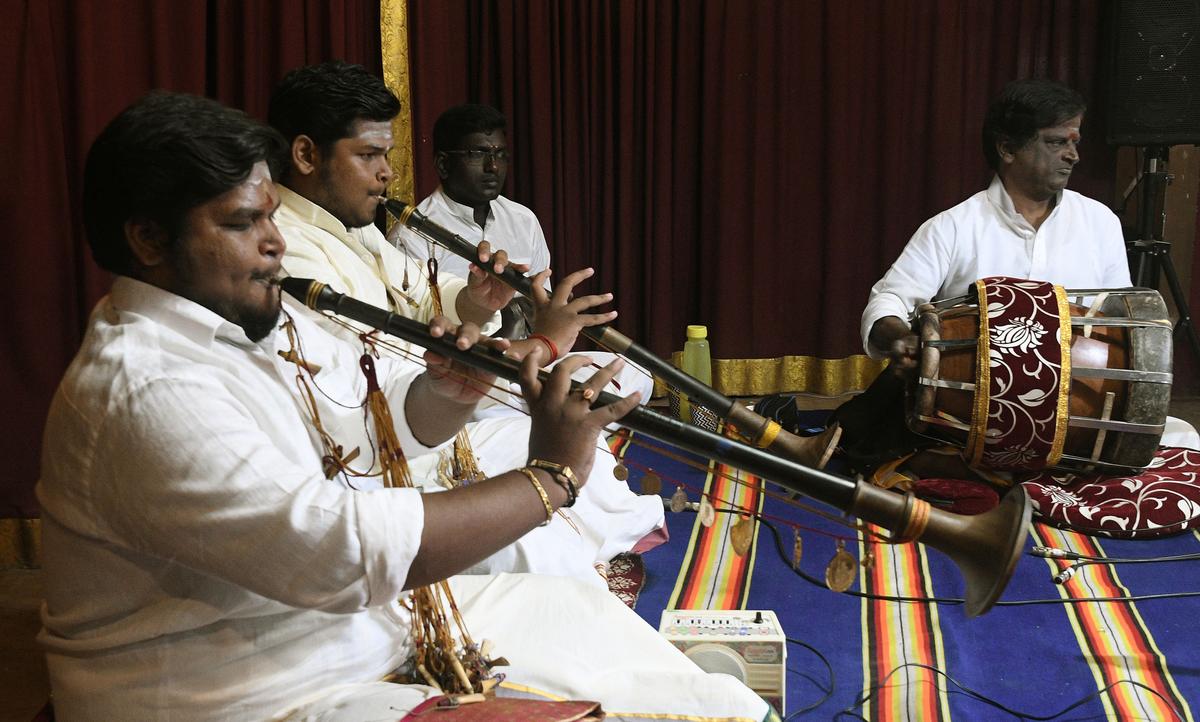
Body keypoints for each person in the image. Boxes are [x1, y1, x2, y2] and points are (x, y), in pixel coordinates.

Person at [37, 91, 769, 721]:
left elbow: (353, 436)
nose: (272, 244)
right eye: (240, 224)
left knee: (569, 607)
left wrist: (443, 391)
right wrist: (551, 479)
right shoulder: (148, 385)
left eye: (269, 217)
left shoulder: (220, 326)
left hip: (332, 633)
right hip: (249, 693)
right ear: (147, 240)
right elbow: (333, 550)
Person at [269, 62, 666, 584]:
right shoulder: (286, 247)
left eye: (385, 155)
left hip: (433, 405)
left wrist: (481, 301)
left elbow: (429, 297)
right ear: (304, 155)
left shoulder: (351, 227)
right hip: (384, 447)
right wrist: (541, 346)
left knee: (570, 429)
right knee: (545, 539)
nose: (387, 172)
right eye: (369, 156)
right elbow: (384, 368)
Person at [834, 78, 1197, 475]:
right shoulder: (953, 227)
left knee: (1186, 440)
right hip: (969, 423)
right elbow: (887, 302)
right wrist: (899, 338)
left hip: (1075, 420)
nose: (1073, 155)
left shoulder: (1099, 223)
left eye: (1075, 142)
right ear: (1007, 148)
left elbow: (1126, 326)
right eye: (1057, 142)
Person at [389, 102, 655, 402]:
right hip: (469, 369)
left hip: (536, 357)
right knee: (553, 402)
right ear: (443, 164)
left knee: (633, 374)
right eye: (478, 154)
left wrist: (557, 318)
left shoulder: (522, 219)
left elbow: (543, 307)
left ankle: (549, 415)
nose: (493, 167)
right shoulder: (411, 235)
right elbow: (417, 330)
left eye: (500, 155)